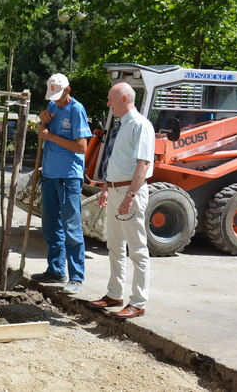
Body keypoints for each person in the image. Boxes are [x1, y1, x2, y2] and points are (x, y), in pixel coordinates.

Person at [88, 82, 155, 319]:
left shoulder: (140, 126)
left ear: (125, 98)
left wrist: (129, 196)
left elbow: (143, 165)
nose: (108, 104)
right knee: (114, 246)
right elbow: (115, 161)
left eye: (111, 100)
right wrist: (107, 188)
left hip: (129, 194)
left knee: (137, 249)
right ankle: (114, 294)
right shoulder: (122, 125)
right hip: (116, 191)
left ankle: (138, 301)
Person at [32, 73, 92, 296]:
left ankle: (76, 277)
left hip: (68, 177)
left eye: (58, 96)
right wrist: (41, 121)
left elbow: (81, 147)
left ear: (68, 90)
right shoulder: (52, 106)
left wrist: (49, 136)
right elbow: (43, 132)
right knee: (50, 226)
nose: (55, 101)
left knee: (71, 228)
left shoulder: (76, 109)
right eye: (52, 97)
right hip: (50, 174)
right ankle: (56, 270)